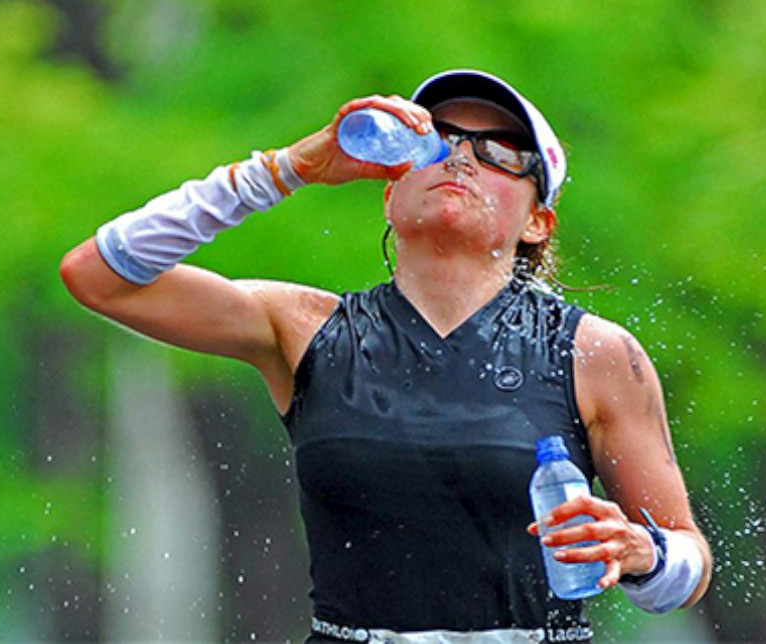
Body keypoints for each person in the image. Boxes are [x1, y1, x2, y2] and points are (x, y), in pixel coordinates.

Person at [60, 69, 711, 643]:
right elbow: (99, 275)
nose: (460, 156)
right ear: (388, 192)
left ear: (538, 221)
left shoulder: (594, 352)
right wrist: (289, 168)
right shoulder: (303, 328)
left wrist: (643, 552)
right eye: (439, 138)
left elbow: (688, 570)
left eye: (498, 152)